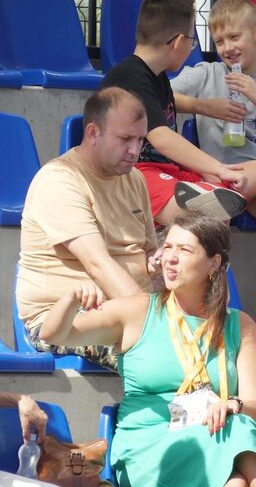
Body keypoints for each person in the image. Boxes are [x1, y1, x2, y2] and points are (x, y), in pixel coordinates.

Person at [40, 211, 256, 487]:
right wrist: (71, 300)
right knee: (239, 459)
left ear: (214, 263)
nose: (170, 257)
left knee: (238, 458)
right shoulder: (138, 311)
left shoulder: (240, 325)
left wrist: (234, 406)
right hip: (151, 443)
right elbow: (54, 334)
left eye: (184, 250)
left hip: (215, 430)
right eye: (168, 247)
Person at [16, 87, 158, 370]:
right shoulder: (59, 180)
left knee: (219, 340)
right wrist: (155, 322)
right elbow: (97, 264)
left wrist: (158, 262)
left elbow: (148, 252)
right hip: (67, 320)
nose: (135, 150)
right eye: (125, 139)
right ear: (93, 133)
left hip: (125, 311)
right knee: (160, 354)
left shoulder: (135, 179)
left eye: (140, 139)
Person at [100, 0, 256, 226]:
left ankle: (209, 199)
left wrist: (209, 171)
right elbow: (162, 138)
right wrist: (218, 169)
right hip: (135, 174)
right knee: (211, 214)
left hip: (170, 172)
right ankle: (206, 205)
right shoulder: (129, 75)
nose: (191, 48)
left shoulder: (158, 78)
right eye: (192, 42)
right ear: (179, 41)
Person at [171, 0, 256, 227]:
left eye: (234, 37)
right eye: (220, 41)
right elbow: (159, 96)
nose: (227, 48)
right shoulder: (207, 74)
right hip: (233, 179)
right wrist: (205, 106)